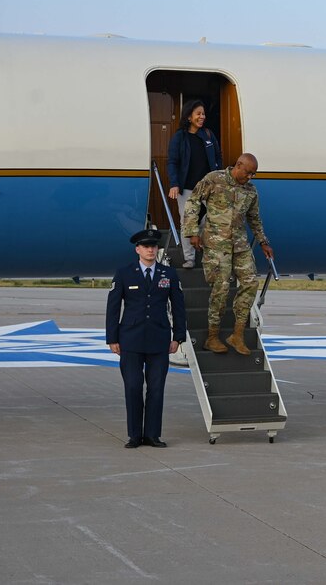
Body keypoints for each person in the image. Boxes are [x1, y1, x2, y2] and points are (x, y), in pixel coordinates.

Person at [184, 152, 274, 356]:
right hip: (217, 245)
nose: (250, 177)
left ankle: (237, 334)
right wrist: (192, 232)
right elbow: (193, 201)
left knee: (251, 282)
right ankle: (212, 337)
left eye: (254, 174)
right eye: (249, 173)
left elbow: (254, 218)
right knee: (221, 288)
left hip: (240, 245)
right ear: (238, 165)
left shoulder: (250, 191)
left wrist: (263, 242)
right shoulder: (214, 179)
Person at [106, 229, 187, 448]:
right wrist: (112, 338)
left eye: (154, 246)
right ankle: (134, 435)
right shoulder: (124, 273)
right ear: (137, 250)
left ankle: (152, 435)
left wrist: (178, 336)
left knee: (156, 388)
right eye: (146, 246)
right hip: (130, 340)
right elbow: (113, 308)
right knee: (132, 387)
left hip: (159, 340)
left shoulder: (168, 274)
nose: (151, 250)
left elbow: (178, 307)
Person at [166, 99, 223, 268]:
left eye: (203, 114)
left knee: (211, 220)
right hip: (187, 189)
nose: (202, 116)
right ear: (189, 117)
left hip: (208, 187)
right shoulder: (180, 137)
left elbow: (218, 156)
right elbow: (172, 162)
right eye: (198, 113)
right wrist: (174, 183)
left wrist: (218, 174)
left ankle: (208, 255)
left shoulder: (208, 134)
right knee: (187, 222)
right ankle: (189, 258)